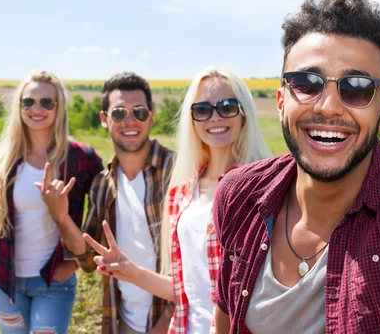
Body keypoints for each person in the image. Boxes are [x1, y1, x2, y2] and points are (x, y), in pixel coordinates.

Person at [213, 0, 380, 334]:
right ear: (281, 101)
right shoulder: (239, 195)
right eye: (307, 83)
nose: (327, 107)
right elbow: (225, 312)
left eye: (356, 88)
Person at [83, 67, 272, 333]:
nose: (215, 117)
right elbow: (185, 288)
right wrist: (130, 271)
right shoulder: (181, 194)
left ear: (244, 113)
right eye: (203, 110)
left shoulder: (262, 188)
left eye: (227, 106)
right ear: (192, 119)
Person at [0, 70, 103, 334]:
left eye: (46, 102)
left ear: (58, 107)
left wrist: (73, 263)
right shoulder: (9, 156)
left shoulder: (81, 158)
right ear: (19, 107)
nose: (36, 109)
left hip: (53, 281)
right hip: (6, 281)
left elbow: (104, 213)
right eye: (28, 102)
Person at [51, 72, 176, 334]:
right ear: (104, 119)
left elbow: (195, 265)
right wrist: (61, 218)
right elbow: (86, 258)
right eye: (119, 113)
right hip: (123, 323)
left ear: (151, 116)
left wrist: (165, 325)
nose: (130, 121)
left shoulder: (177, 171)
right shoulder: (102, 185)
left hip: (173, 324)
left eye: (139, 112)